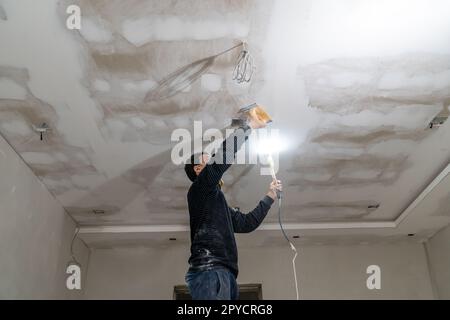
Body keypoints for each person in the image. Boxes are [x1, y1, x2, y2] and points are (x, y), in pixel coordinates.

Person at [183, 108, 282, 300]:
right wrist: (249, 126)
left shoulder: (216, 204)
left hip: (225, 273)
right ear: (198, 169)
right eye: (208, 161)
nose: (212, 162)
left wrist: (270, 195)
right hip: (209, 269)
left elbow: (246, 223)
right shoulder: (199, 190)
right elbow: (222, 159)